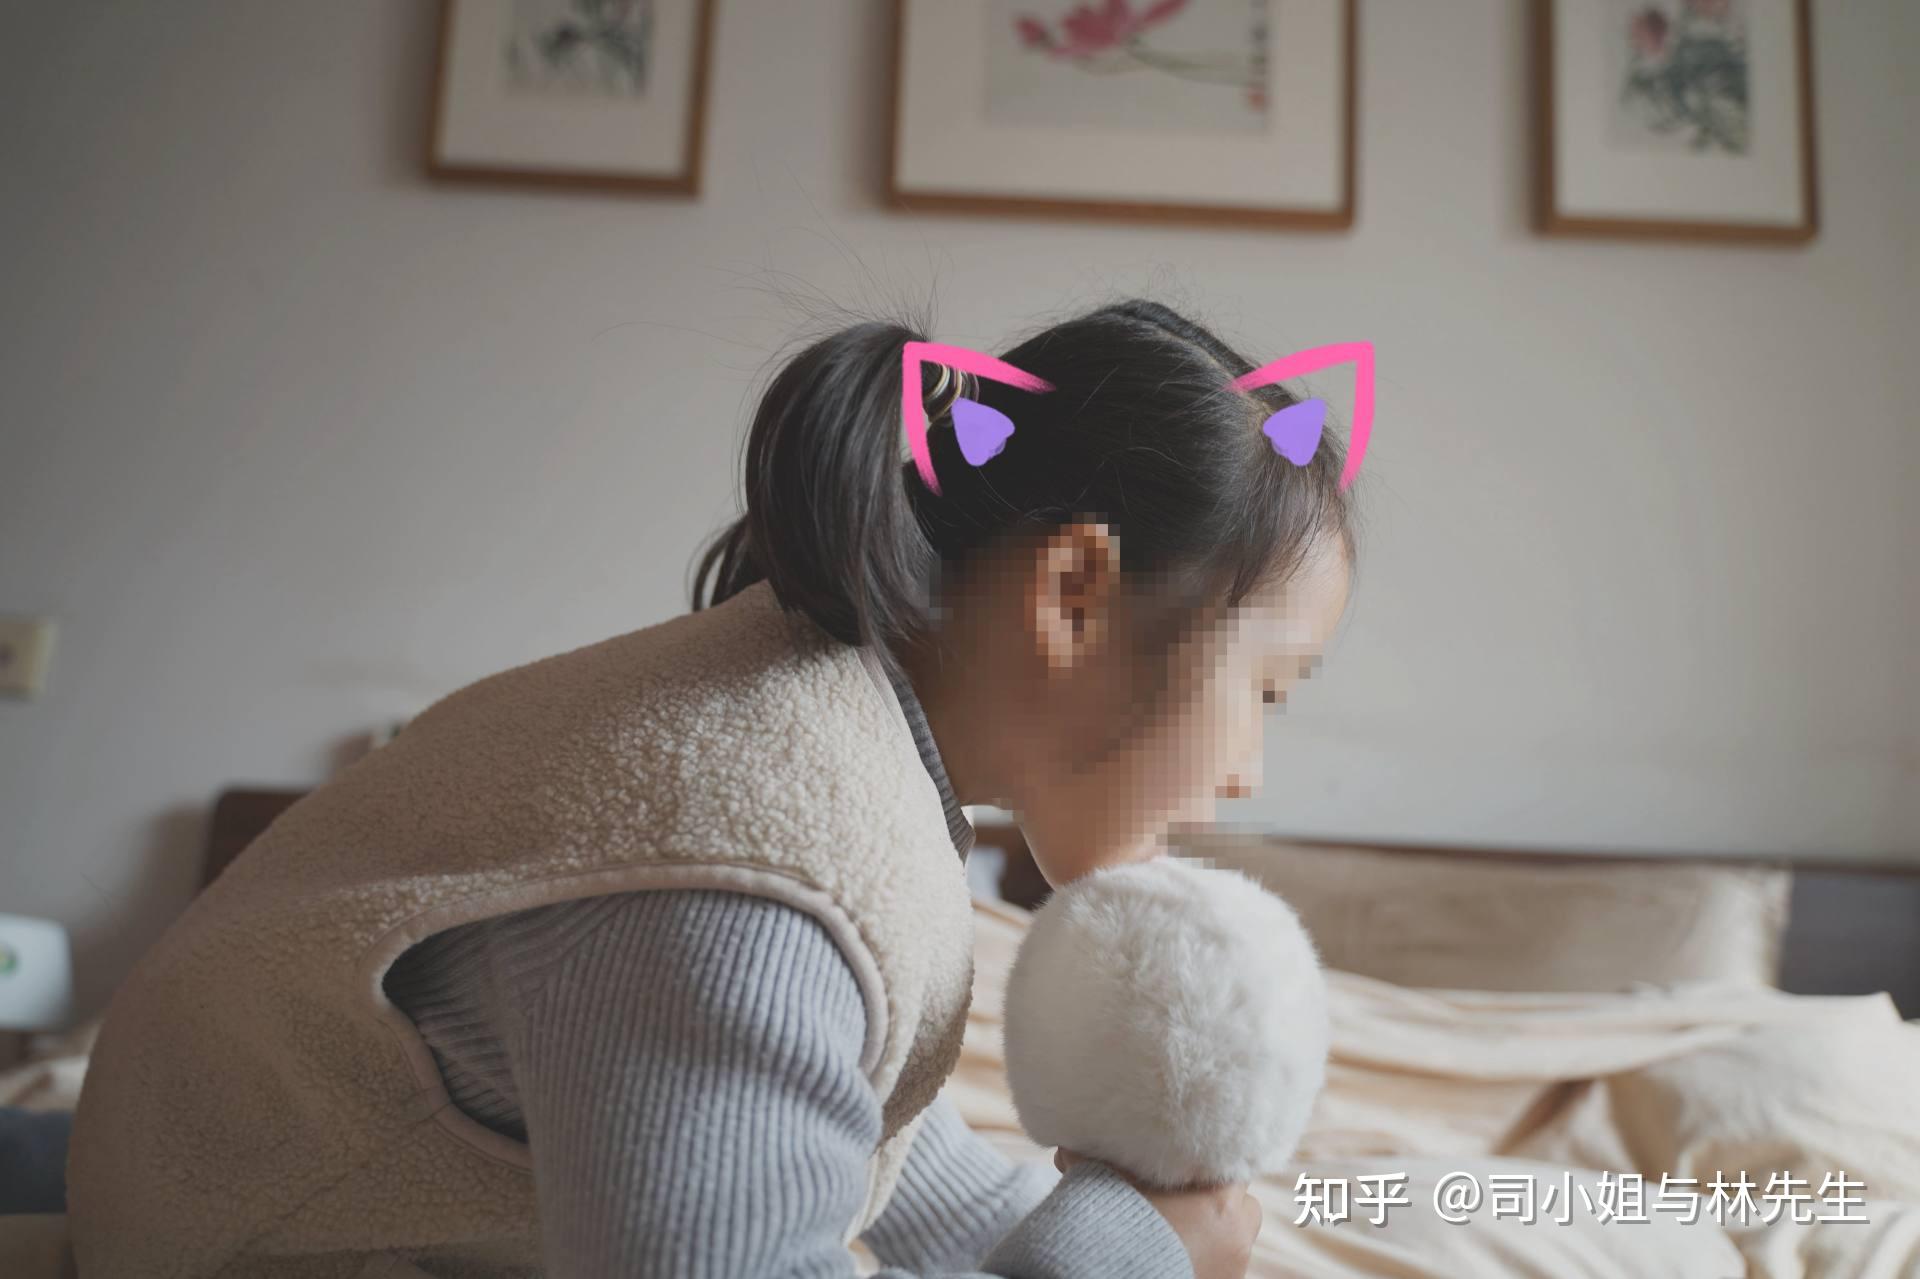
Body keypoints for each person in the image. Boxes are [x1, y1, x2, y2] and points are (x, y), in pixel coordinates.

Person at [66, 298, 1356, 1279]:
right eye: (1269, 688)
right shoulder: (757, 863)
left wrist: (1128, 1229)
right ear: (1071, 595)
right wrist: (1127, 1255)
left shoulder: (823, 737)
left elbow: (883, 1155)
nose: (1247, 768)